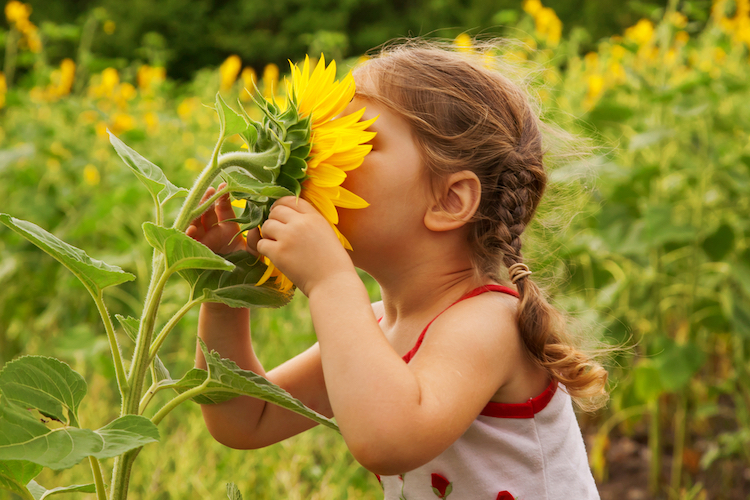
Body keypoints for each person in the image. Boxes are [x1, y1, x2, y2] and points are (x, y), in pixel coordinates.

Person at [188, 40, 608, 499]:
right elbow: (247, 419)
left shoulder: (488, 323)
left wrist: (331, 283)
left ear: (450, 201)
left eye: (357, 141)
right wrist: (229, 282)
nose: (317, 158)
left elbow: (388, 441)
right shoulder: (376, 326)